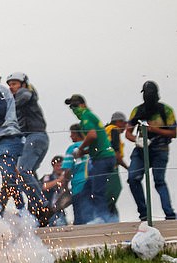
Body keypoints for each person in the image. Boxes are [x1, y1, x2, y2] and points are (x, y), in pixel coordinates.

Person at [0, 65, 52, 224]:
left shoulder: (16, 92)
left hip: (24, 137)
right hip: (10, 139)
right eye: (11, 84)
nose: (12, 86)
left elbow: (15, 100)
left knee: (19, 173)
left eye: (15, 83)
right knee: (16, 175)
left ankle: (36, 207)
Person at [125, 81, 176, 221]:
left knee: (159, 181)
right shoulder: (138, 111)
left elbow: (174, 132)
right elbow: (127, 133)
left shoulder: (165, 110)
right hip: (141, 149)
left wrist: (154, 130)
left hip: (160, 148)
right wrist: (138, 140)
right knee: (132, 178)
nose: (148, 97)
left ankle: (170, 214)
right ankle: (144, 213)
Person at [65, 94, 116, 224]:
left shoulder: (86, 116)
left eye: (75, 106)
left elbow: (92, 135)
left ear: (83, 104)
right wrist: (86, 152)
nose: (74, 109)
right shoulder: (87, 117)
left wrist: (80, 149)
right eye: (71, 107)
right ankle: (92, 217)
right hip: (103, 156)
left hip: (102, 159)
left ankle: (103, 218)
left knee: (97, 191)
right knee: (87, 189)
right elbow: (97, 141)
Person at [61, 125, 91, 225]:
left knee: (80, 221)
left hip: (78, 187)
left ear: (77, 133)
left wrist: (65, 188)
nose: (70, 136)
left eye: (72, 133)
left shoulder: (72, 148)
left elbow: (68, 170)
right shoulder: (92, 146)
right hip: (93, 185)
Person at [103, 111, 129, 222]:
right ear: (118, 121)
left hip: (100, 166)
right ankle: (106, 215)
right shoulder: (114, 130)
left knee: (108, 192)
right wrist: (128, 168)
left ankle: (112, 217)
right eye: (124, 123)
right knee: (114, 190)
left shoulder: (105, 130)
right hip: (110, 166)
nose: (125, 126)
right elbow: (116, 153)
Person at [40, 156, 71, 227]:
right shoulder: (47, 177)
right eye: (57, 165)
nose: (59, 168)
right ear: (53, 166)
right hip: (47, 211)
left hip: (59, 211)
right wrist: (58, 180)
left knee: (62, 228)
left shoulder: (66, 178)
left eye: (61, 165)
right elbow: (43, 187)